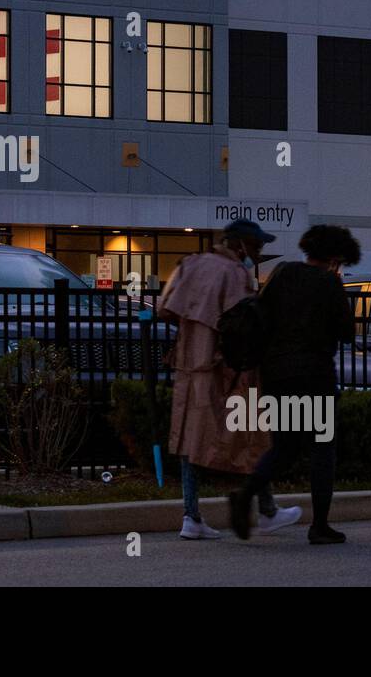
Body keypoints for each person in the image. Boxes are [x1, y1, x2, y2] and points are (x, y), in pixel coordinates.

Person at [159, 219, 301, 540]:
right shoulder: (235, 273)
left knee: (189, 440)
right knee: (253, 436)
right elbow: (243, 325)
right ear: (241, 245)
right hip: (227, 370)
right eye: (256, 247)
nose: (258, 252)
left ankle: (191, 516)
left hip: (188, 365)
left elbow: (166, 310)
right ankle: (266, 510)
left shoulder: (190, 264)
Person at [230, 225, 359, 545]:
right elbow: (347, 333)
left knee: (285, 446)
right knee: (322, 448)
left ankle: (246, 494)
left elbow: (261, 316)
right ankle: (320, 525)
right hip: (315, 375)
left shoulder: (283, 273)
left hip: (277, 374)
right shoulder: (330, 283)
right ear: (334, 257)